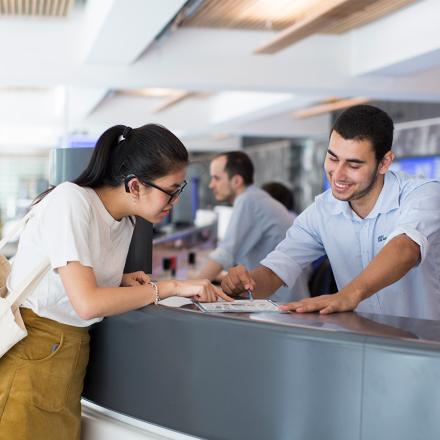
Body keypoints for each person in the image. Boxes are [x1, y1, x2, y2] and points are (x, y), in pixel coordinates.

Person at [0, 124, 231, 440]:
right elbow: (87, 303)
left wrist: (118, 280)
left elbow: (72, 278)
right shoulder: (72, 200)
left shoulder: (125, 222)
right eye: (172, 189)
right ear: (136, 186)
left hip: (68, 357)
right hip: (34, 350)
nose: (175, 201)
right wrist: (169, 287)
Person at [221, 105, 440, 319]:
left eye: (353, 165)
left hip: (424, 346)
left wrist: (347, 295)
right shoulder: (321, 212)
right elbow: (275, 270)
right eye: (333, 158)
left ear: (384, 162)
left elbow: (405, 249)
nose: (338, 175)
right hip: (365, 344)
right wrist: (244, 284)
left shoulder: (422, 194)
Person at [196, 151, 310, 302]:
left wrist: (191, 287)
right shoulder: (257, 198)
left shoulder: (248, 200)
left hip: (279, 303)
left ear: (236, 181)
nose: (211, 185)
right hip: (277, 297)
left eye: (216, 178)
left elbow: (224, 254)